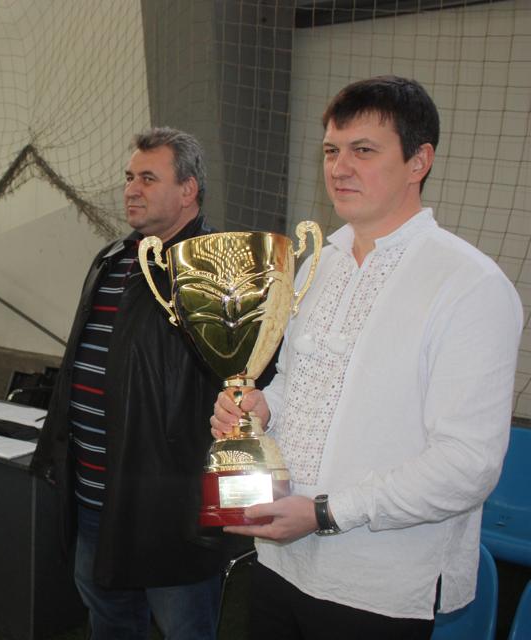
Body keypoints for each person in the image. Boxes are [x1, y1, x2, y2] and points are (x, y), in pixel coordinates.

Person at [211, 76, 523, 639]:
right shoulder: (316, 266)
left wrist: (326, 512)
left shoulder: (469, 284)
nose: (339, 167)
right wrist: (260, 408)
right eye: (331, 150)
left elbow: (468, 464)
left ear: (418, 161)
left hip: (378, 584)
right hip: (280, 558)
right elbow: (292, 381)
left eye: (363, 150)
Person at [31, 127, 243, 639]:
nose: (131, 189)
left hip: (168, 509)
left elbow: (239, 385)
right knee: (108, 619)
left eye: (148, 178)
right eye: (130, 177)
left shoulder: (218, 270)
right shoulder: (111, 259)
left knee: (183, 627)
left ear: (188, 190)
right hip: (94, 494)